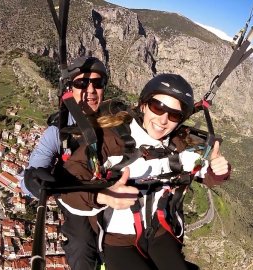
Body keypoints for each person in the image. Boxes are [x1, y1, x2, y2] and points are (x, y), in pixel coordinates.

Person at [58, 73, 231, 270]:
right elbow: (68, 182)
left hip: (160, 233)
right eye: (158, 107)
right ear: (143, 105)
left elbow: (204, 174)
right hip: (118, 240)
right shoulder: (110, 140)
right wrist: (103, 197)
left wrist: (217, 171)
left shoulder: (178, 146)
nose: (163, 120)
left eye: (174, 115)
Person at [21, 56, 109, 270]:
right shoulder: (58, 131)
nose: (90, 90)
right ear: (71, 89)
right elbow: (35, 167)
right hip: (74, 197)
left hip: (109, 194)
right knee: (81, 245)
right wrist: (34, 179)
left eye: (97, 84)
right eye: (82, 83)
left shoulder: (114, 122)